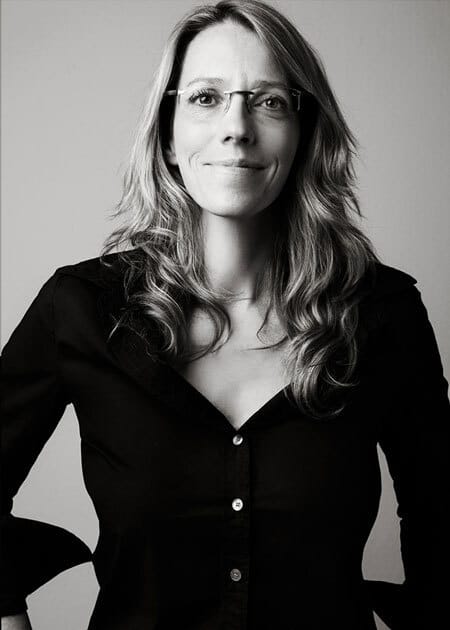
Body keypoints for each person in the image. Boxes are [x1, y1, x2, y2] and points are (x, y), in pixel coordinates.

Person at [1, 0, 449, 628]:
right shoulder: (80, 307)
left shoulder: (382, 314)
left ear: (304, 132)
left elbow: (439, 517)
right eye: (206, 98)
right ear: (168, 134)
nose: (237, 128)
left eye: (269, 101)